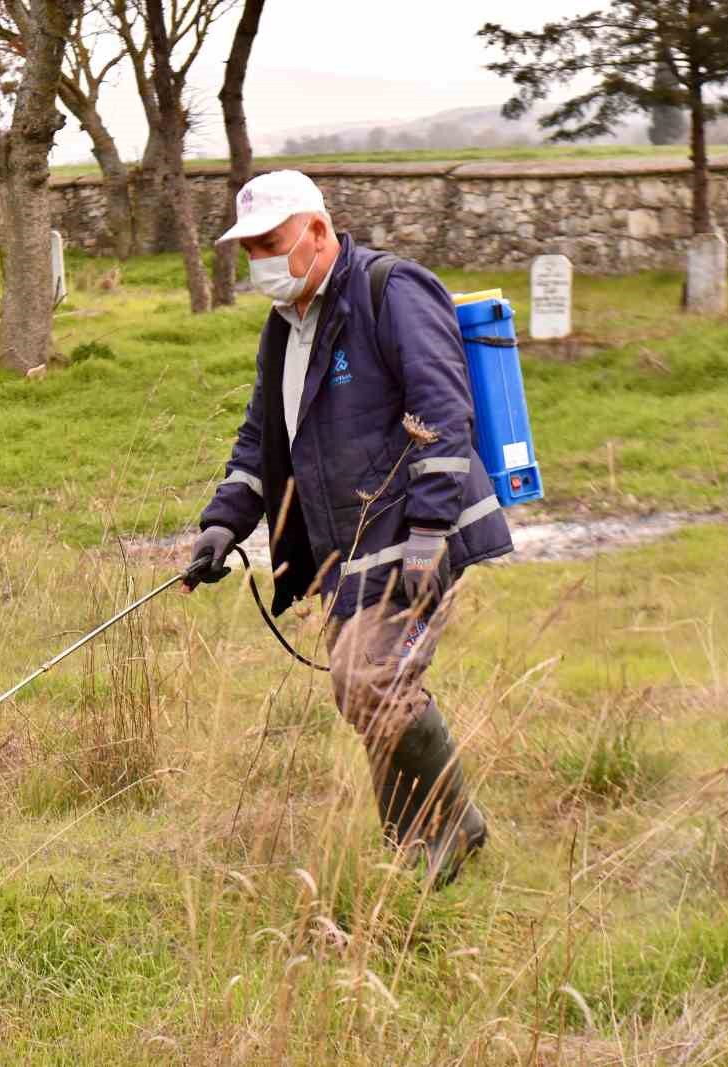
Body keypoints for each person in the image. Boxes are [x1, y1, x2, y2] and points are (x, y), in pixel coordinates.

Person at [184, 170, 513, 887]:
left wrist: (429, 529)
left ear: (319, 232)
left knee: (369, 676)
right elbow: (260, 440)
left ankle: (449, 829)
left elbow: (444, 410)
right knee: (366, 689)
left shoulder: (390, 290)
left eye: (270, 243)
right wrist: (222, 524)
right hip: (345, 545)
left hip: (412, 530)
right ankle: (416, 843)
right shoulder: (287, 326)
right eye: (249, 251)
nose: (258, 263)